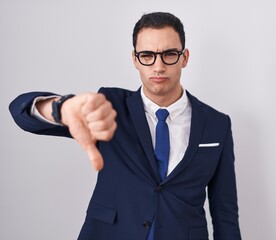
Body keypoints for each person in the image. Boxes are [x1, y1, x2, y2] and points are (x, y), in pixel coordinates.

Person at [9, 12, 241, 240]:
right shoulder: (109, 106)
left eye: (169, 54)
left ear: (185, 57)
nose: (158, 66)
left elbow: (225, 214)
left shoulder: (217, 124)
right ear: (135, 59)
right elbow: (20, 111)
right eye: (147, 55)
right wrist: (61, 108)